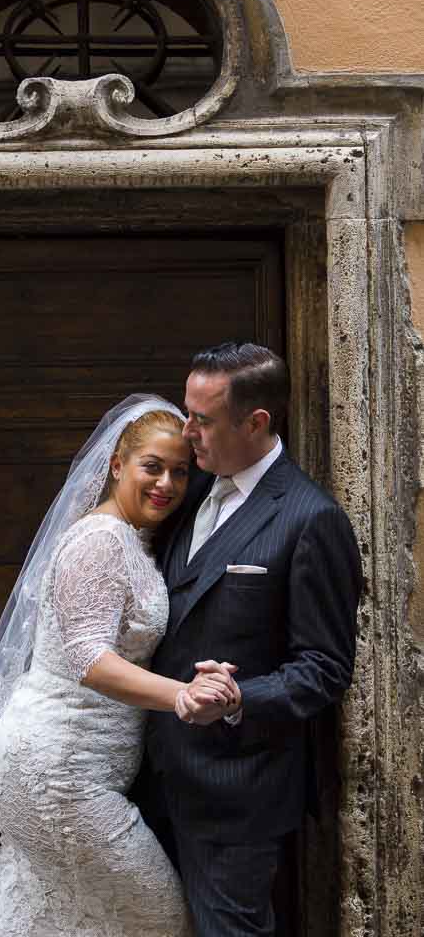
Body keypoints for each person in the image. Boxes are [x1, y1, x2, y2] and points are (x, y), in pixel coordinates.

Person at [0, 395, 238, 937]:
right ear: (117, 465)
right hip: (55, 773)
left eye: (180, 472)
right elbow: (89, 660)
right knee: (159, 918)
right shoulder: (98, 541)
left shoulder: (133, 540)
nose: (166, 483)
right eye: (152, 467)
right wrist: (183, 695)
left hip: (75, 771)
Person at [141, 343, 363, 937]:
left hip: (237, 793)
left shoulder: (312, 518)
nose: (186, 432)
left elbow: (324, 667)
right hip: (151, 776)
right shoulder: (186, 493)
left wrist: (239, 698)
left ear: (256, 422)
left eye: (203, 419)